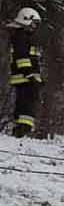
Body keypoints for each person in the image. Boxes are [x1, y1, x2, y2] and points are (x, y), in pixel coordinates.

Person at [6, 7, 43, 138]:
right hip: (25, 77)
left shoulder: (23, 37)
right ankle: (22, 129)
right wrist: (29, 74)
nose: (34, 27)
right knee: (26, 103)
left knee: (25, 103)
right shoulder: (21, 37)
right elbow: (22, 57)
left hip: (26, 77)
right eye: (34, 23)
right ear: (26, 20)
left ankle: (22, 129)